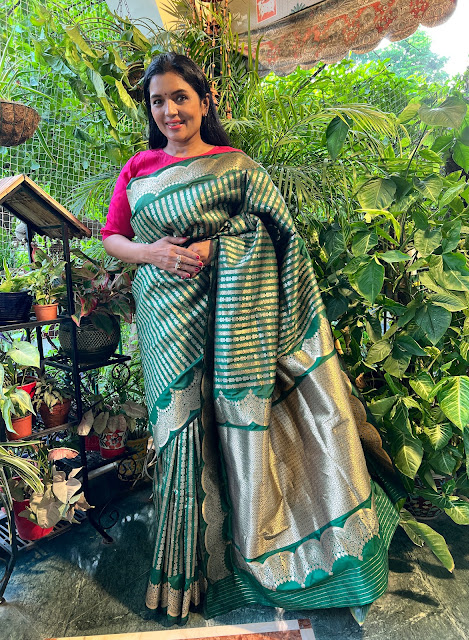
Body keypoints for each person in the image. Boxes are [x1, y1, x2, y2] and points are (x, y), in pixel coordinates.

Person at [101, 52, 400, 626]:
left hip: (238, 313)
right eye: (157, 100)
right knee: (180, 431)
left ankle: (250, 558)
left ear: (204, 102)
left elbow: (277, 232)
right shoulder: (138, 169)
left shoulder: (235, 165)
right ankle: (184, 573)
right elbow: (114, 236)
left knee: (235, 430)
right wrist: (152, 252)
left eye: (179, 97)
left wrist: (220, 248)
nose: (169, 110)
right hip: (166, 315)